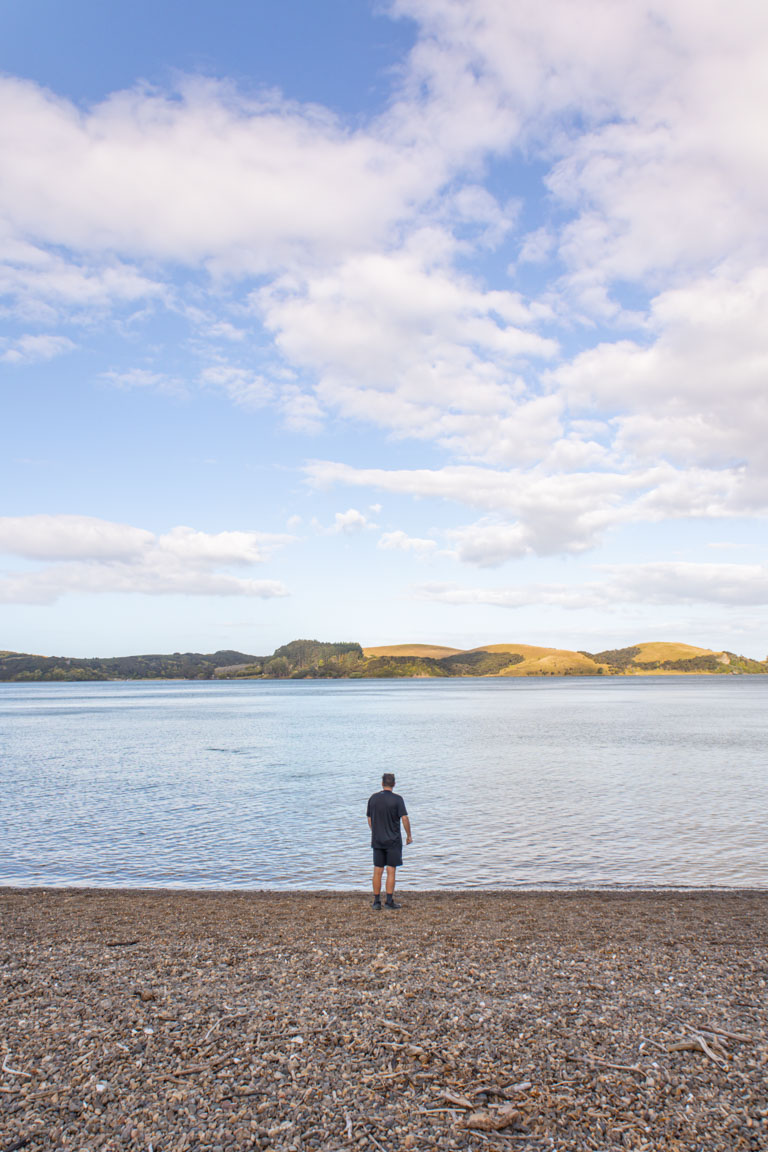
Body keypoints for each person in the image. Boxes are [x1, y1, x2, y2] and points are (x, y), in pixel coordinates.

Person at [366, 773, 412, 910]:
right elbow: (404, 818)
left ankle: (376, 901)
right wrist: (409, 835)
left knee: (377, 870)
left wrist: (374, 831)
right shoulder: (397, 799)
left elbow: (369, 818)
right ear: (394, 784)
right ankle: (389, 901)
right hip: (393, 840)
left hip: (377, 839)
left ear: (382, 783)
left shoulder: (373, 798)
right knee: (391, 870)